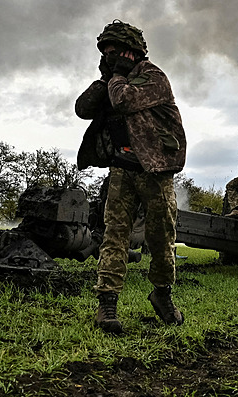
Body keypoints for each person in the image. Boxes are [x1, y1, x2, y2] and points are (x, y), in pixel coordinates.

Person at [75, 20, 187, 333]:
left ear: (131, 51)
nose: (109, 56)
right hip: (121, 170)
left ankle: (162, 294)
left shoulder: (152, 76)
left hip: (154, 172)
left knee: (161, 239)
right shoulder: (113, 81)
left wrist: (118, 76)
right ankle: (107, 306)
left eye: (115, 51)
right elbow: (83, 109)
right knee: (114, 236)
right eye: (105, 52)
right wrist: (103, 78)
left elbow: (124, 100)